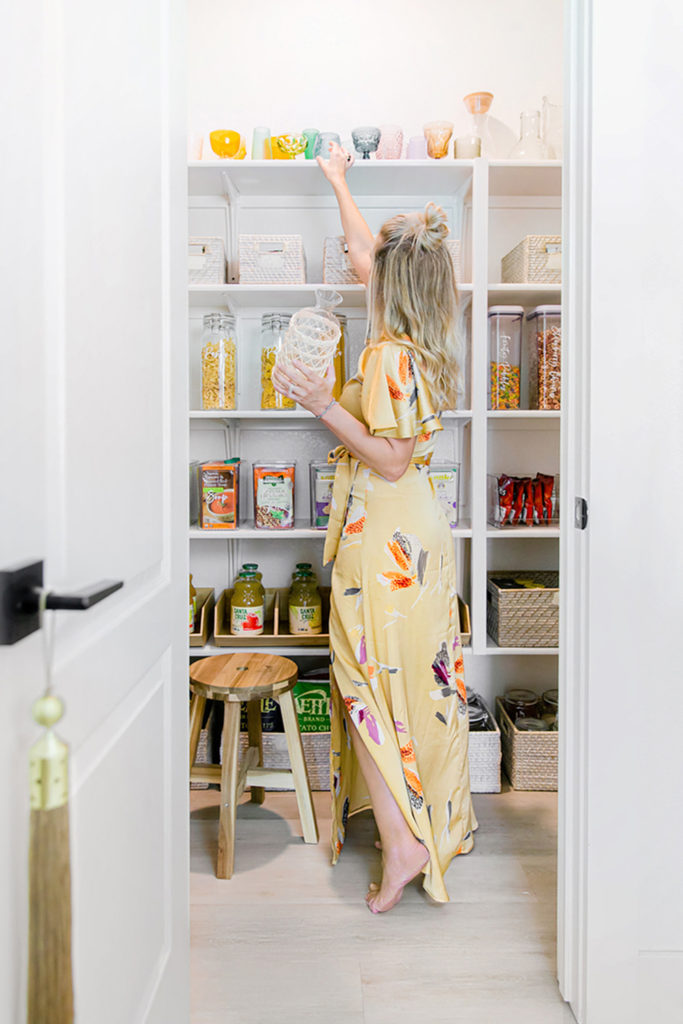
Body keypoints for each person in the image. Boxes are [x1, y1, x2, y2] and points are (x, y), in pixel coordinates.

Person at [272, 142, 477, 913]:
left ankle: (403, 844)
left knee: (363, 684)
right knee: (416, 686)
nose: (363, 269)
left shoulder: (389, 356)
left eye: (373, 269)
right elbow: (365, 251)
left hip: (387, 533)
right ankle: (434, 822)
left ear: (389, 285)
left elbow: (389, 460)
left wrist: (320, 402)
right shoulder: (418, 339)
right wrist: (337, 181)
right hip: (415, 535)